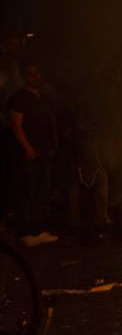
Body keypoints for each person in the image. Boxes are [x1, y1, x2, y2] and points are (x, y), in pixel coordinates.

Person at [6, 60, 57, 233]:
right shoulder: (19, 98)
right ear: (23, 77)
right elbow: (15, 125)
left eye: (37, 72)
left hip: (44, 152)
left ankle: (38, 228)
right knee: (28, 191)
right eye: (30, 74)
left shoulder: (43, 97)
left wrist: (52, 145)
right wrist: (27, 148)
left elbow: (49, 122)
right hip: (29, 154)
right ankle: (26, 230)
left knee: (42, 191)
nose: (35, 77)